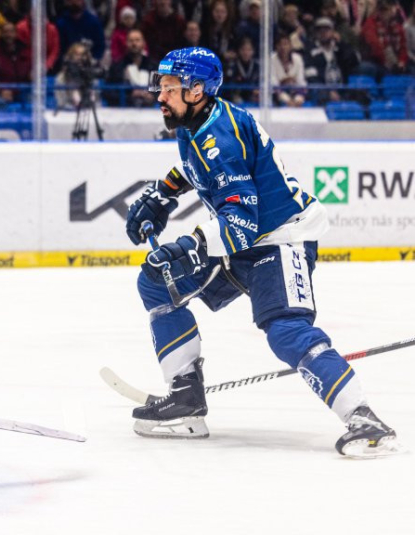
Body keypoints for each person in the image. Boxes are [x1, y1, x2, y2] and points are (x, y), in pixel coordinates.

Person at [124, 47, 400, 458]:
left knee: (286, 330)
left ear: (197, 90)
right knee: (157, 283)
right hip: (245, 240)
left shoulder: (222, 138)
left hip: (280, 238)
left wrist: (191, 246)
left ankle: (365, 419)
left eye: (169, 88)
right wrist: (165, 190)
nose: (160, 96)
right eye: (161, 87)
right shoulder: (192, 121)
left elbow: (242, 221)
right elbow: (194, 166)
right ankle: (185, 398)